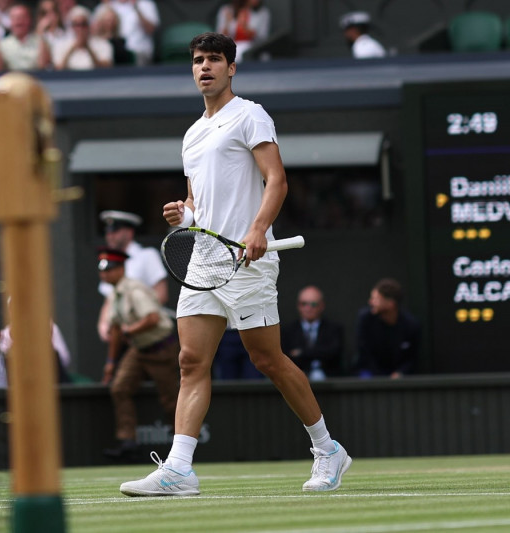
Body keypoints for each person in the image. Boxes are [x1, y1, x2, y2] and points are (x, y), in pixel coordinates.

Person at [119, 33, 351, 497]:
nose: (204, 67)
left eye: (214, 60)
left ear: (231, 68)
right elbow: (196, 204)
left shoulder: (250, 114)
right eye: (198, 61)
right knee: (190, 361)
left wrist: (259, 228)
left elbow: (277, 180)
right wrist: (182, 215)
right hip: (204, 262)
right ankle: (179, 469)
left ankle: (328, 450)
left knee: (267, 358)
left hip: (249, 262)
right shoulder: (191, 134)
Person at [97, 247, 180, 461]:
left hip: (161, 347)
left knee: (171, 399)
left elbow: (152, 318)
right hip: (139, 349)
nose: (104, 274)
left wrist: (129, 331)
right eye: (102, 270)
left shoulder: (135, 290)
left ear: (121, 269)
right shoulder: (115, 295)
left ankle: (181, 446)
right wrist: (110, 363)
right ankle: (128, 442)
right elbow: (115, 330)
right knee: (119, 388)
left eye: (109, 269)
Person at [96, 210, 167, 342]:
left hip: (148, 332)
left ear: (129, 232)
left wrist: (136, 323)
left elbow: (161, 294)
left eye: (115, 231)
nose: (110, 235)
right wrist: (103, 324)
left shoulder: (147, 255)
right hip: (122, 335)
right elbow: (109, 299)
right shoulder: (110, 263)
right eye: (108, 231)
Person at [355, 278, 421, 379]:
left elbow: (412, 359)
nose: (370, 302)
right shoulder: (365, 319)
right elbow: (364, 355)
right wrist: (381, 378)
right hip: (370, 373)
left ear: (391, 304)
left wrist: (400, 373)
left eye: (375, 299)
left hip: (399, 377)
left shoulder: (411, 325)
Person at [280, 285, 344, 380]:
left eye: (313, 304)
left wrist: (301, 353)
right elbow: (285, 357)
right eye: (303, 304)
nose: (308, 308)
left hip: (329, 383)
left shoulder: (334, 329)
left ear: (321, 306)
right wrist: (318, 353)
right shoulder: (288, 331)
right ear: (298, 306)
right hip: (295, 379)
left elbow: (333, 354)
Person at [92, 0, 158, 66]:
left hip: (139, 53)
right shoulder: (106, 5)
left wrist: (136, 7)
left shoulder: (145, 4)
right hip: (114, 52)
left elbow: (151, 29)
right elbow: (92, 31)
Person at [53, 5, 112, 70]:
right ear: (71, 26)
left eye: (83, 24)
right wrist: (73, 48)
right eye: (76, 24)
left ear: (89, 25)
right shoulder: (60, 44)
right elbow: (58, 68)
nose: (80, 28)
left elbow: (107, 67)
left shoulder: (102, 44)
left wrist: (88, 48)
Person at [0, 3, 52, 71]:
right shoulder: (3, 44)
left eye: (22, 17)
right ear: (10, 21)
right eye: (14, 17)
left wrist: (41, 33)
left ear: (29, 20)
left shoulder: (41, 41)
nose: (18, 20)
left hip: (36, 79)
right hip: (12, 79)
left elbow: (43, 65)